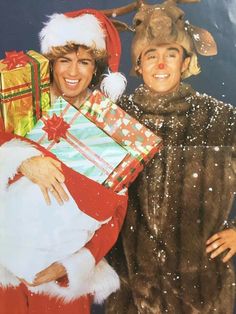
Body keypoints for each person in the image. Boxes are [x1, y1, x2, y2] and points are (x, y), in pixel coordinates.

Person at [105, 1, 236, 313]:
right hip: (130, 292)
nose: (160, 64)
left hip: (203, 292)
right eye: (151, 56)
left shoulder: (220, 119)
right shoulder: (115, 119)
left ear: (185, 61)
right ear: (138, 65)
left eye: (170, 55)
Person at [0, 9, 128, 314]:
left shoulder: (106, 128)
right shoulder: (18, 102)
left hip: (58, 284)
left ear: (95, 69)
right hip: (5, 271)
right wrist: (21, 160)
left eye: (84, 62)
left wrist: (69, 265)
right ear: (52, 64)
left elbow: (115, 211)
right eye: (65, 60)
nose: (73, 71)